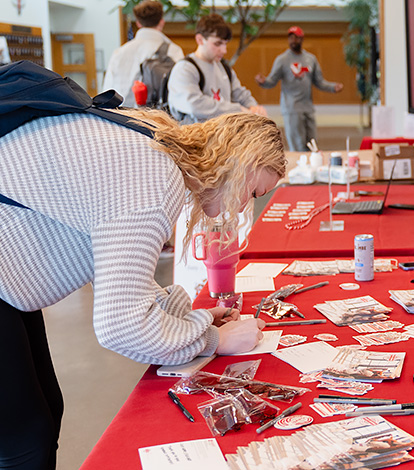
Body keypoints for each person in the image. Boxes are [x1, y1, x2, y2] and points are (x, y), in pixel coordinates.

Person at [0, 109, 285, 468]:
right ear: (238, 163)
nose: (244, 206)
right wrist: (216, 341)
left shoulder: (155, 145)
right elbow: (120, 325)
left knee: (42, 414)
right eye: (252, 191)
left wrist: (191, 317)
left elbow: (121, 276)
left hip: (9, 286)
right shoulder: (155, 181)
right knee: (24, 437)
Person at [255, 26, 344, 152]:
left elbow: (319, 82)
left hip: (307, 107)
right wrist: (263, 82)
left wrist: (333, 87)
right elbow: (271, 81)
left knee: (312, 145)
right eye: (291, 37)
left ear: (302, 39)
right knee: (297, 146)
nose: (293, 40)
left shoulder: (310, 59)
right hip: (291, 108)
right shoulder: (282, 60)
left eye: (296, 37)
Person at [168, 14, 267, 124]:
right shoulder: (184, 69)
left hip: (223, 136)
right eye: (217, 44)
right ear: (200, 39)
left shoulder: (224, 68)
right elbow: (194, 104)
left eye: (225, 44)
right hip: (192, 137)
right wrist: (237, 110)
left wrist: (254, 108)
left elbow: (240, 94)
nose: (223, 50)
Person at [101, 0, 184, 108]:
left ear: (138, 23)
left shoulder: (119, 52)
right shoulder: (173, 51)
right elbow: (180, 88)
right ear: (162, 22)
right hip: (156, 117)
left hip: (121, 115)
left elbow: (107, 90)